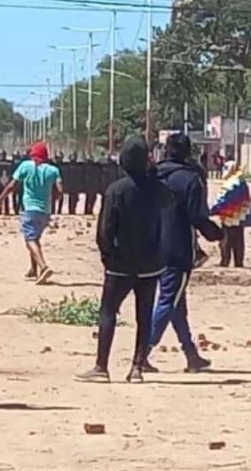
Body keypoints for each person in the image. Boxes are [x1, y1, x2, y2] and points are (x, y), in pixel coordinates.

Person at [75, 137, 171, 384]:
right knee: (144, 314)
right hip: (151, 263)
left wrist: (107, 255)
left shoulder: (116, 190)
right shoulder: (159, 190)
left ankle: (101, 366)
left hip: (120, 263)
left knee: (108, 311)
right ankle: (137, 367)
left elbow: (105, 230)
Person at [144, 133, 223, 373]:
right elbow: (197, 216)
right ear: (188, 153)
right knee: (168, 301)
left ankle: (191, 354)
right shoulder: (190, 180)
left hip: (151, 246)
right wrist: (216, 234)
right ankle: (142, 352)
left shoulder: (152, 176)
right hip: (178, 250)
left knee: (177, 303)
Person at [0, 142, 62, 284]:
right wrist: (52, 201)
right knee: (35, 238)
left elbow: (12, 185)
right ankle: (33, 269)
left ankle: (44, 267)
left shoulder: (25, 166)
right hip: (45, 211)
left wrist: (0, 199)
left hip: (29, 209)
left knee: (30, 240)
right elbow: (60, 191)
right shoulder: (53, 170)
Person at [211, 161, 251, 268]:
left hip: (228, 217)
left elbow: (223, 199)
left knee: (226, 240)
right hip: (239, 216)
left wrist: (213, 209)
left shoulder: (231, 183)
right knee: (239, 240)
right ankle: (238, 262)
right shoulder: (241, 181)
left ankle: (225, 261)